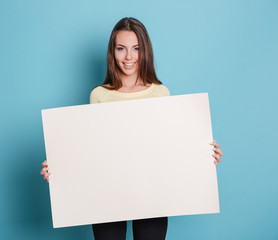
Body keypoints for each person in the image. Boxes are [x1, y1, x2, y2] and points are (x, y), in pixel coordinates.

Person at [40, 17, 224, 240]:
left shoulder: (160, 93)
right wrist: (61, 168)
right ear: (112, 52)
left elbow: (169, 147)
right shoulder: (99, 95)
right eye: (121, 48)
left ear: (144, 51)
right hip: (107, 193)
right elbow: (91, 150)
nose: (129, 57)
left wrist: (201, 153)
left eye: (136, 48)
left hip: (152, 194)